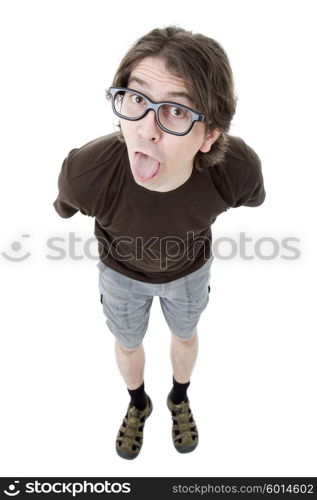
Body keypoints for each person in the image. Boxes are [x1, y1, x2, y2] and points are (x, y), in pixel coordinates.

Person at [53, 26, 265, 460]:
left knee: (184, 336)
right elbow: (65, 207)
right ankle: (138, 404)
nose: (146, 130)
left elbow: (254, 197)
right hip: (120, 277)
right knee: (128, 342)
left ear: (210, 135)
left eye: (174, 111)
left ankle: (179, 397)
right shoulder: (86, 173)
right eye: (137, 99)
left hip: (189, 274)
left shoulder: (236, 170)